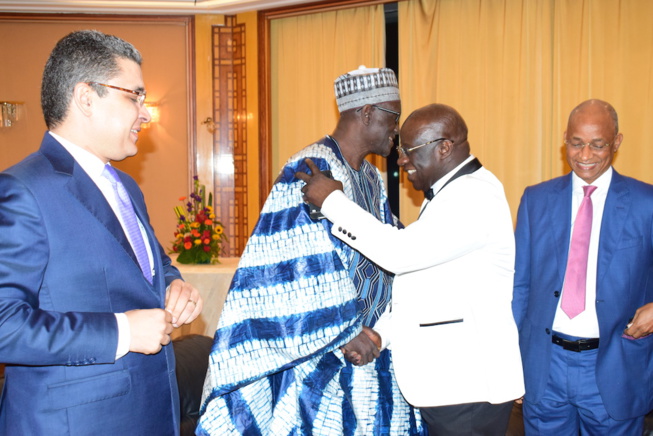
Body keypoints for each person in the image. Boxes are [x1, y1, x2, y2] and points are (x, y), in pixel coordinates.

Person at [197, 66, 424, 435]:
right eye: (393, 116)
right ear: (366, 113)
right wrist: (348, 330)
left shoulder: (371, 176)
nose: (397, 128)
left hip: (374, 348)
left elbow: (389, 247)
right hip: (324, 358)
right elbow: (291, 266)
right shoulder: (308, 168)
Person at [0, 30, 203, 435]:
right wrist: (124, 331)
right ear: (86, 98)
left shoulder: (125, 186)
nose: (145, 113)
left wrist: (175, 285)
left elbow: (152, 267)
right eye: (134, 96)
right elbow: (5, 324)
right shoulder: (21, 190)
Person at [298, 103, 524, 435]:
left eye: (409, 151)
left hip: (469, 392)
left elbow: (399, 253)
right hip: (450, 389)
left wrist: (332, 202)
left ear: (445, 147)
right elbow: (422, 285)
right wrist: (381, 334)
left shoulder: (475, 196)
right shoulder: (447, 196)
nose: (400, 160)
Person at [512, 99, 653, 434]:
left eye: (597, 145)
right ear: (565, 139)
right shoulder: (536, 200)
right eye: (576, 143)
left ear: (617, 142)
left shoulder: (646, 203)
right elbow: (520, 287)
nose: (585, 155)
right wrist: (511, 362)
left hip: (616, 366)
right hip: (544, 366)